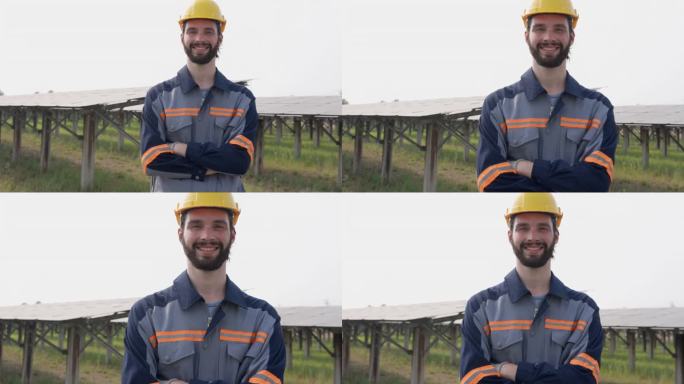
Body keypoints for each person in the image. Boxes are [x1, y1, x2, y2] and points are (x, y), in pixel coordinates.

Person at [122, 193, 285, 384]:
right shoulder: (146, 315)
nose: (207, 236)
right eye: (196, 225)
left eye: (218, 226)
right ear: (180, 233)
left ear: (232, 235)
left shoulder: (264, 320)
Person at [476, 0, 617, 192]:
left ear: (572, 37)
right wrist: (565, 184)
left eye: (559, 29)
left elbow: (596, 181)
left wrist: (527, 168)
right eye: (540, 29)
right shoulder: (497, 106)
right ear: (527, 36)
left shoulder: (599, 109)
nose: (549, 37)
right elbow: (490, 181)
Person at [460, 193, 602, 383]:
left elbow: (584, 379)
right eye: (523, 228)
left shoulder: (584, 311)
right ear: (510, 236)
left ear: (556, 235)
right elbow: (472, 378)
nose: (532, 237)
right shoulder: (480, 309)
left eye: (542, 228)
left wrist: (513, 371)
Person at [140, 0, 257, 192]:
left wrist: (180, 148)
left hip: (225, 204)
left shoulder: (242, 99)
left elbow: (239, 161)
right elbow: (151, 161)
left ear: (220, 37)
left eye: (208, 31)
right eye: (192, 31)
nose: (199, 38)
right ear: (182, 38)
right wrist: (209, 167)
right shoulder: (158, 97)